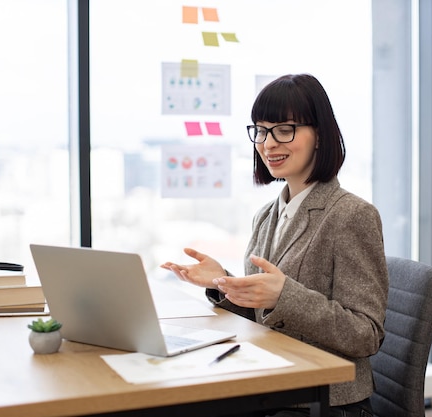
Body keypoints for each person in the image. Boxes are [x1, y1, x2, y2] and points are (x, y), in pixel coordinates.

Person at [162, 73, 388, 417]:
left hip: (325, 401)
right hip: (273, 382)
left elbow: (366, 335)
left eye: (285, 130)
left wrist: (285, 296)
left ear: (319, 136)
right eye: (261, 130)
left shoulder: (352, 215)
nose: (268, 143)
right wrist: (222, 281)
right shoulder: (267, 214)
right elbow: (262, 317)